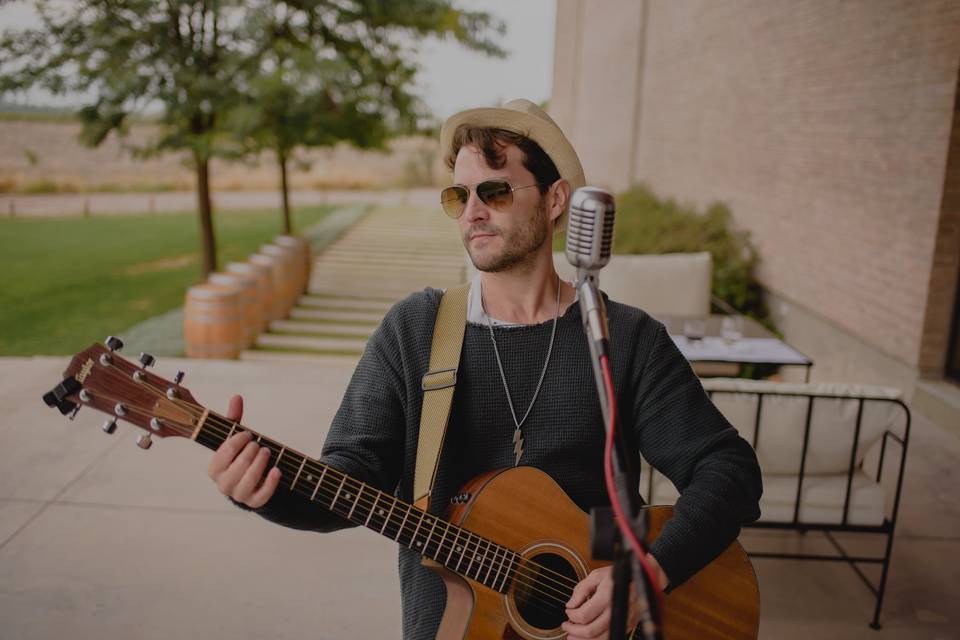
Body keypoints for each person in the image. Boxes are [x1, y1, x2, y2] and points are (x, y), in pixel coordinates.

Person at [208, 99, 762, 640]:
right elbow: (353, 478)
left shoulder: (623, 337)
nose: (472, 211)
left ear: (554, 199)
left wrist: (650, 571)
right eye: (459, 195)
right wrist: (265, 488)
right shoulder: (416, 330)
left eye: (494, 191)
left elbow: (728, 471)